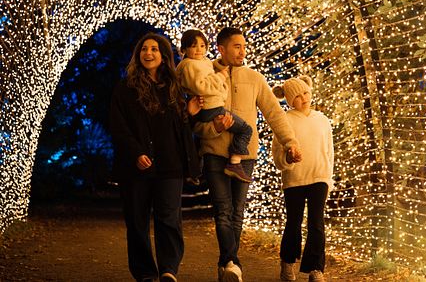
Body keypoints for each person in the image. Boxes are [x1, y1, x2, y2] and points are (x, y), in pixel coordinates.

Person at [193, 27, 302, 282]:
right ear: (221, 49)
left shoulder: (254, 78)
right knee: (223, 209)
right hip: (214, 153)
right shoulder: (204, 76)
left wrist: (290, 142)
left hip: (245, 157)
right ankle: (233, 262)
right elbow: (194, 123)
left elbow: (274, 113)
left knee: (237, 212)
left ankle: (227, 263)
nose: (242, 51)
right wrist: (214, 128)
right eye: (236, 46)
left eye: (244, 46)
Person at [109, 33, 202, 282]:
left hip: (170, 165)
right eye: (144, 49)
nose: (148, 53)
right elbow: (119, 127)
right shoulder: (125, 88)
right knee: (137, 222)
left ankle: (169, 269)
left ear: (163, 56)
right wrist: (136, 153)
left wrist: (190, 114)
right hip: (136, 167)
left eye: (154, 49)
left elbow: (179, 130)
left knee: (169, 219)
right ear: (138, 56)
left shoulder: (173, 88)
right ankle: (145, 273)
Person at [272, 76, 334, 282]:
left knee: (317, 222)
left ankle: (316, 269)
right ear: (289, 100)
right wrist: (288, 158)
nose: (303, 98)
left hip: (319, 178)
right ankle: (287, 262)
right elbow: (278, 156)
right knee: (294, 222)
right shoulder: (285, 121)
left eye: (305, 93)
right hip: (295, 180)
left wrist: (328, 178)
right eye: (297, 96)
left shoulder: (322, 120)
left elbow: (329, 151)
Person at [176, 29, 253, 183]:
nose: (199, 50)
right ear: (184, 49)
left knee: (199, 141)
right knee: (245, 129)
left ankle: (195, 170)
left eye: (202, 46)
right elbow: (202, 86)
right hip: (211, 107)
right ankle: (235, 163)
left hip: (212, 105)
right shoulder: (189, 65)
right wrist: (220, 77)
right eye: (194, 46)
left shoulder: (202, 62)